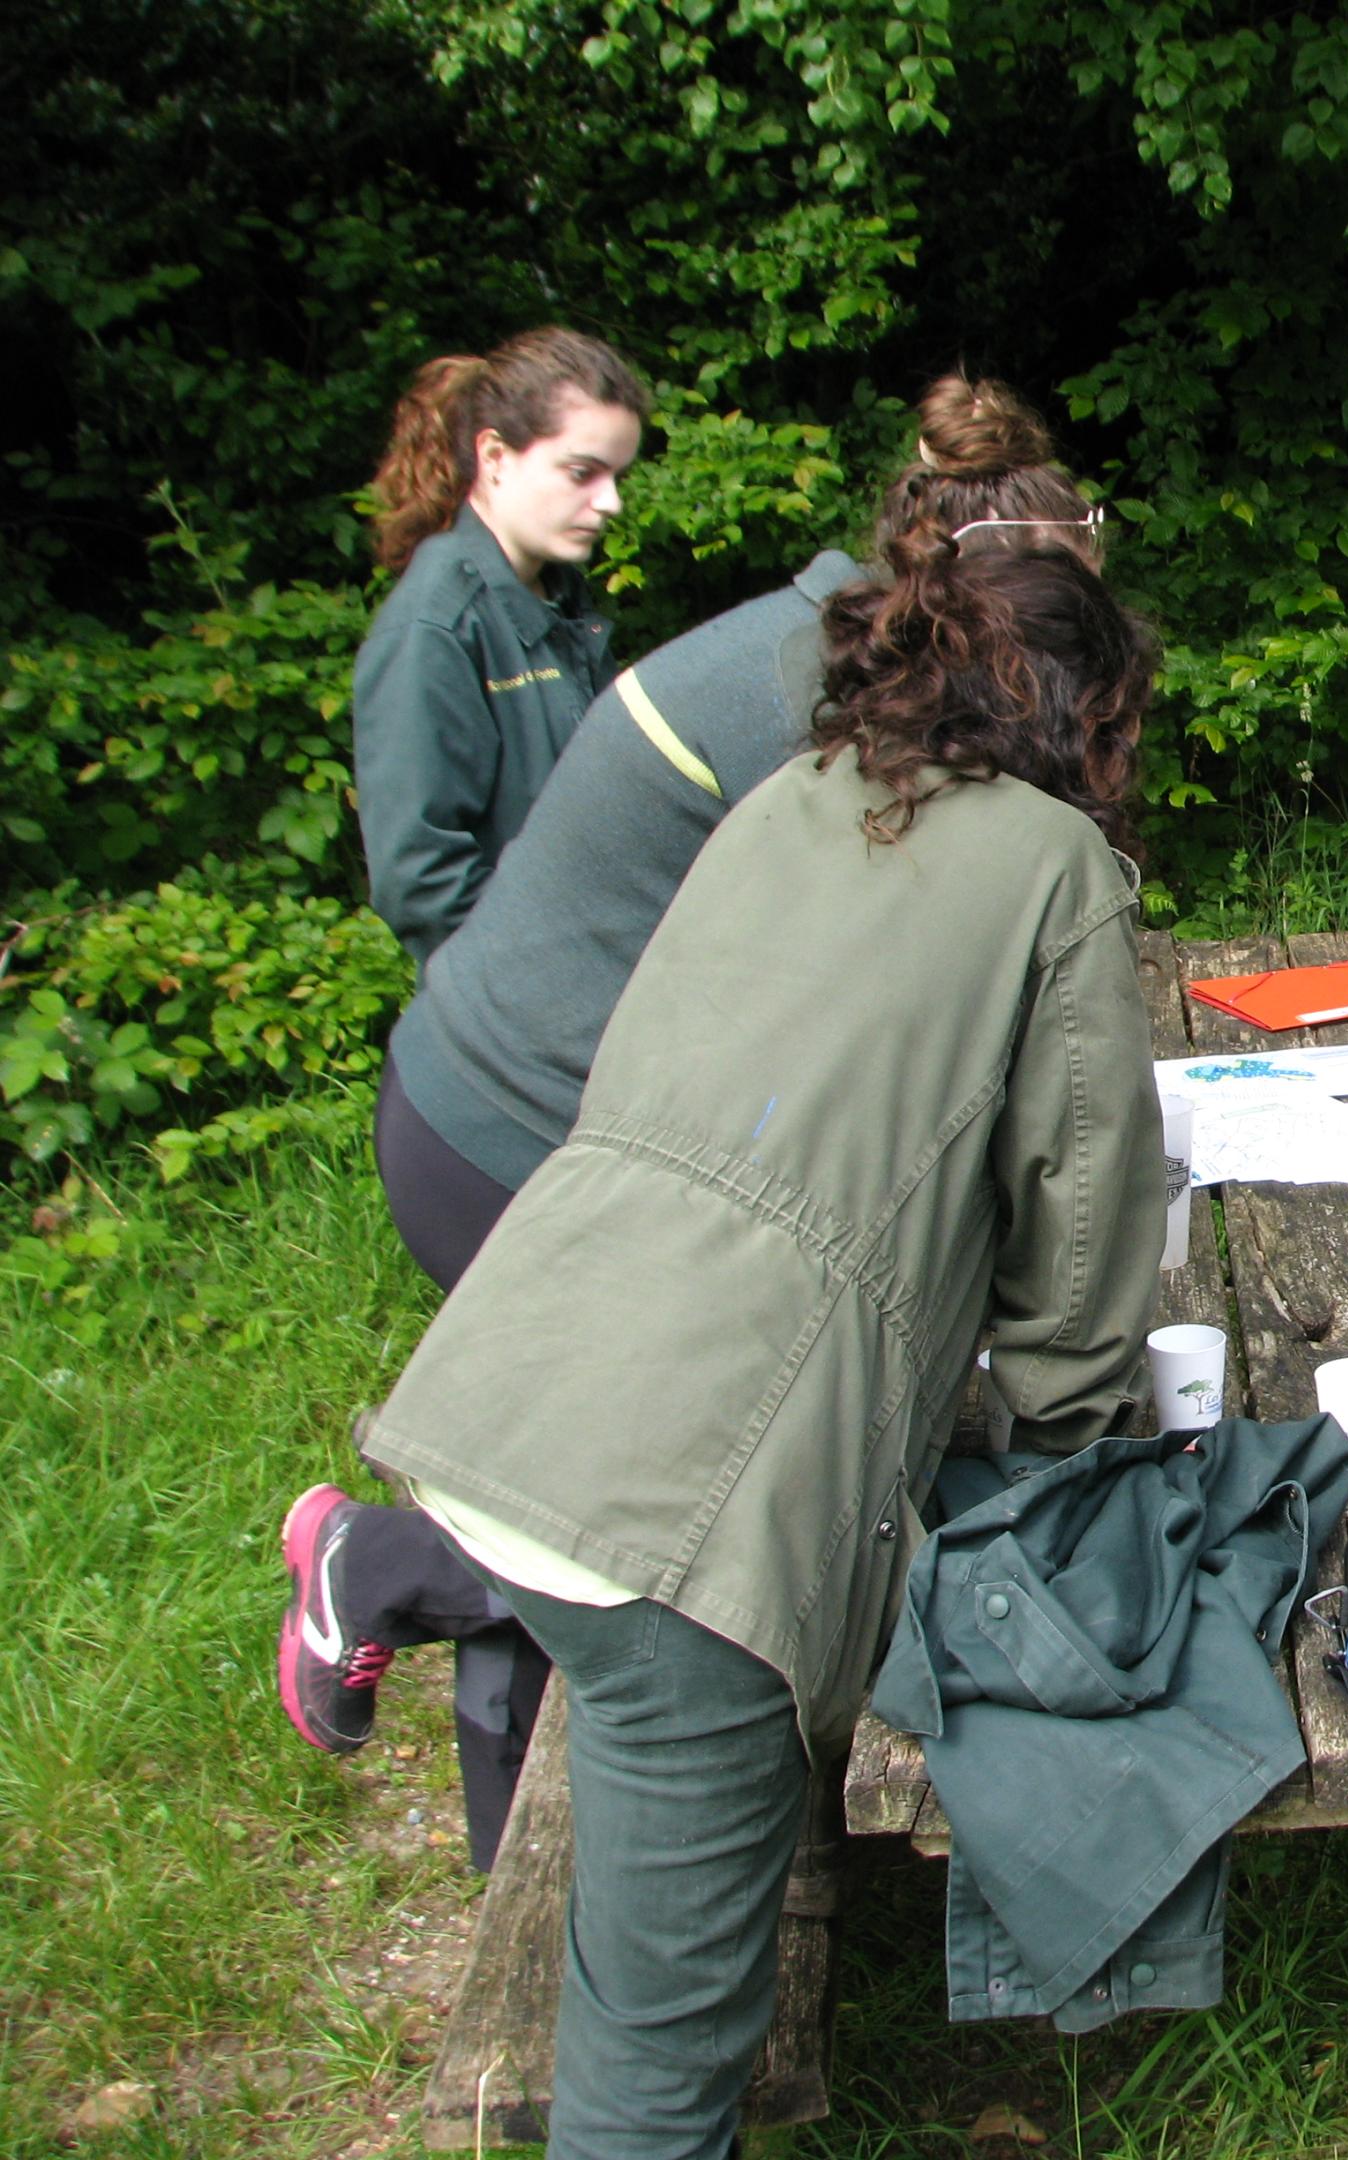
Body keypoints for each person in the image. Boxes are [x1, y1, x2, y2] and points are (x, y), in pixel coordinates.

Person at [356, 544, 1167, 2159]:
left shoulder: (788, 797)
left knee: (642, 1950)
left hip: (522, 1371)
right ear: (1085, 721)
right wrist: (1071, 1462)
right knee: (663, 2075)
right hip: (690, 1507)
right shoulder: (1058, 867)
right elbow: (1081, 1239)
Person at [278, 373, 1108, 1873]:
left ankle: (561, 1790)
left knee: (650, 1472)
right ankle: (428, 1659)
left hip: (582, 1089)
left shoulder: (863, 647)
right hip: (520, 1109)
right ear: (988, 615)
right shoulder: (838, 701)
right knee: (630, 1486)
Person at [353, 326, 651, 963]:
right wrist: (545, 988)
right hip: (513, 1025)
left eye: (617, 475)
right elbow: (422, 886)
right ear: (493, 457)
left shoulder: (561, 604)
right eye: (582, 472)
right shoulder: (436, 629)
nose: (611, 502)